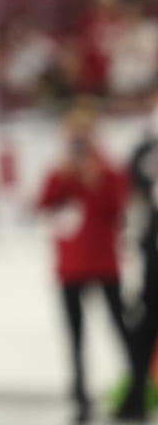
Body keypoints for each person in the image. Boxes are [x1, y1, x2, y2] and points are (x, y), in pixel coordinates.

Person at [40, 102, 135, 422]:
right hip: (71, 265)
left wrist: (95, 177)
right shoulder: (59, 172)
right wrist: (66, 176)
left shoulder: (108, 170)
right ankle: (80, 396)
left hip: (105, 262)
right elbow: (44, 205)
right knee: (75, 334)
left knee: (121, 327)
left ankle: (135, 390)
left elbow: (119, 207)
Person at [116, 94, 158, 421]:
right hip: (153, 259)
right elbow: (135, 200)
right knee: (143, 326)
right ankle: (137, 395)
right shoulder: (144, 154)